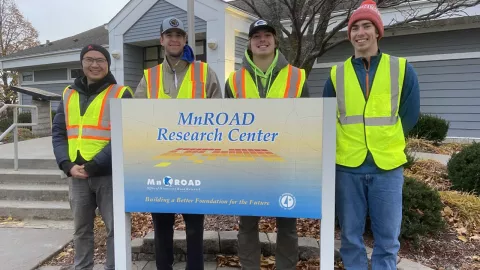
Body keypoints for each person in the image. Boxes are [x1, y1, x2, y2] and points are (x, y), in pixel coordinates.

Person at [322, 0, 420, 269]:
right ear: (349, 34)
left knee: (387, 240)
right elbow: (327, 119)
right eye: (355, 27)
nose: (360, 32)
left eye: (367, 26)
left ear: (378, 32)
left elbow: (409, 116)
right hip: (347, 167)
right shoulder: (336, 73)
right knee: (351, 238)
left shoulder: (401, 69)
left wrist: (385, 140)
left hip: (386, 167)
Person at [134, 17, 222, 270]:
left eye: (179, 35)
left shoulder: (205, 72)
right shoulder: (148, 77)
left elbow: (220, 116)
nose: (174, 39)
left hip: (196, 165)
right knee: (162, 229)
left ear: (185, 40)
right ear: (161, 40)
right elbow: (137, 120)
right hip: (160, 167)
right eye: (169, 34)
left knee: (195, 229)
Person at [224, 19, 309, 270]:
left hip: (285, 164)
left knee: (287, 225)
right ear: (249, 44)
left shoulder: (297, 75)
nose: (262, 40)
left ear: (275, 40)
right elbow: (226, 125)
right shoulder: (234, 80)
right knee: (247, 225)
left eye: (267, 35)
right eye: (256, 36)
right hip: (247, 165)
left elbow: (306, 121)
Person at [52, 44, 133, 270]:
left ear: (108, 64)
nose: (94, 64)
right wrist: (66, 165)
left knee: (115, 229)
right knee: (81, 230)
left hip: (108, 174)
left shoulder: (120, 93)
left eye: (100, 60)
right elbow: (58, 132)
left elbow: (124, 134)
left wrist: (96, 164)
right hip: (76, 175)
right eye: (89, 60)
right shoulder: (68, 93)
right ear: (82, 63)